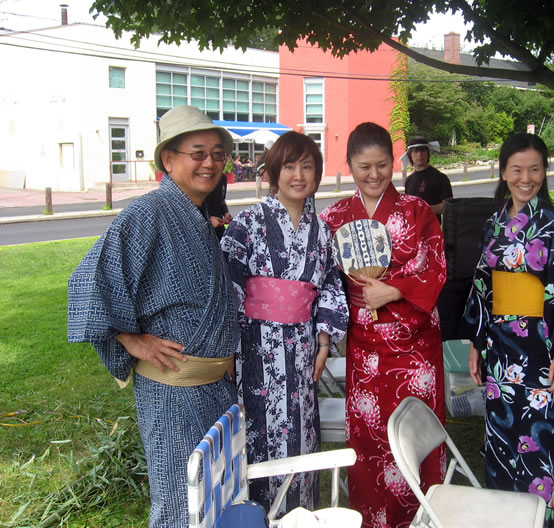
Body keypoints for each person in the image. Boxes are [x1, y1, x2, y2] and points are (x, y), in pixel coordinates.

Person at [67, 105, 239, 528]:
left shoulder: (199, 213)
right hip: (172, 389)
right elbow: (86, 282)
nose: (210, 163)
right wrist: (131, 339)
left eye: (218, 153)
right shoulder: (149, 212)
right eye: (197, 152)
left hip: (215, 387)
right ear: (168, 159)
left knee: (216, 495)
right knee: (181, 500)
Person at [463, 133, 554, 527]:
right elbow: (482, 286)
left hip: (541, 346)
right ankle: (504, 517)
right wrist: (476, 342)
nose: (527, 178)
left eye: (535, 169)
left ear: (545, 172)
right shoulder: (493, 223)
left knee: (537, 439)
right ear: (503, 172)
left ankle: (538, 520)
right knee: (500, 440)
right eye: (517, 169)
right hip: (500, 349)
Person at [320, 122, 446, 527]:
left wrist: (391, 291)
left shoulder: (417, 211)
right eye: (363, 167)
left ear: (395, 162)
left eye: (382, 165)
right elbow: (322, 278)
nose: (374, 175)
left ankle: (422, 517)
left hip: (415, 348)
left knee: (417, 435)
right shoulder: (336, 216)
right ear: (349, 165)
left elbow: (436, 267)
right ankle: (374, 519)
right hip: (366, 348)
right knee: (371, 437)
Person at [220, 131, 349, 514]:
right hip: (254, 347)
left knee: (301, 431)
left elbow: (329, 285)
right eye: (288, 166)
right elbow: (228, 283)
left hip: (303, 349)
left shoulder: (324, 232)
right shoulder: (248, 223)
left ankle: (299, 514)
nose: (298, 175)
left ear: (318, 174)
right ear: (273, 174)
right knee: (256, 434)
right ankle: (255, 516)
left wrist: (325, 341)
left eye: (307, 166)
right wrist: (227, 345)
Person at [403, 137, 453, 223]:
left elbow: (448, 206)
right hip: (413, 229)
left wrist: (424, 209)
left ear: (427, 153)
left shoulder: (440, 178)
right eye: (415, 151)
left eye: (423, 150)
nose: (419, 154)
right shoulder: (409, 180)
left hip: (433, 230)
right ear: (410, 155)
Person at [204, 171, 232, 240]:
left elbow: (222, 200)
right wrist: (208, 220)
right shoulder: (200, 179)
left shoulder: (223, 178)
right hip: (204, 230)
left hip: (219, 226)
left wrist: (226, 212)